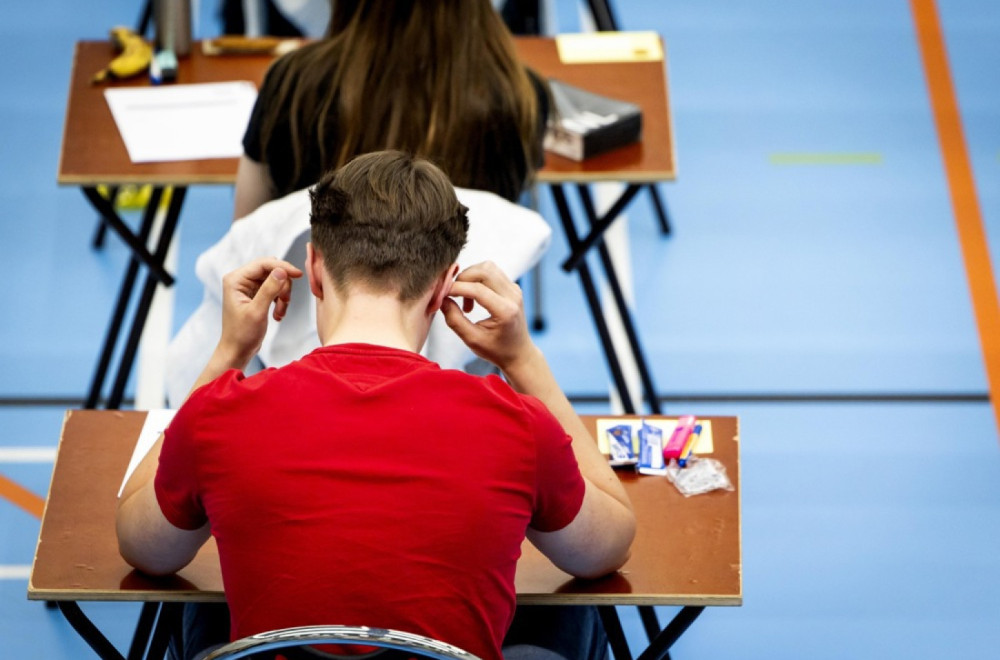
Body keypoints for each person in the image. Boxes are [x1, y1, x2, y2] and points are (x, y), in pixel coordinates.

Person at [117, 151, 635, 660]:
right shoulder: (518, 425)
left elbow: (142, 547)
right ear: (441, 290)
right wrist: (523, 360)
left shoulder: (218, 414)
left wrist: (228, 354)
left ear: (314, 269)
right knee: (574, 611)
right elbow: (607, 548)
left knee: (198, 611)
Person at [233, 0, 548, 220]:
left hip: (314, 310)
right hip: (468, 310)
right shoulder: (518, 94)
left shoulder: (293, 83)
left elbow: (245, 240)